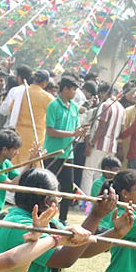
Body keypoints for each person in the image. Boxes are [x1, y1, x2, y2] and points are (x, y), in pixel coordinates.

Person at [43, 76, 83, 221]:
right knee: (48, 187)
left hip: (67, 154)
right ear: (65, 89)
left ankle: (63, 218)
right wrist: (73, 133)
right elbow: (50, 131)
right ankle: (44, 215)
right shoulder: (53, 105)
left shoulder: (74, 107)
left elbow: (76, 127)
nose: (74, 93)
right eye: (73, 89)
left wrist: (81, 131)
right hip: (53, 153)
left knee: (67, 188)